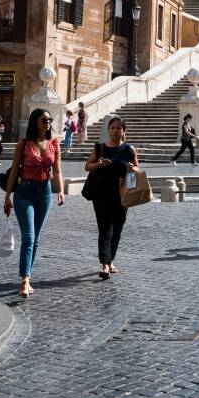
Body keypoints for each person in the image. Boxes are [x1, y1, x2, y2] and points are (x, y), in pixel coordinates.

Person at [3, 109, 65, 298]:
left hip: (44, 191)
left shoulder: (54, 144)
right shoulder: (24, 144)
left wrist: (61, 190)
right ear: (35, 121)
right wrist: (7, 196)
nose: (47, 122)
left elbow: (58, 171)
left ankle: (27, 276)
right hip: (24, 192)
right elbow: (14, 171)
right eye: (43, 119)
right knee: (28, 237)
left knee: (35, 238)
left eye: (49, 119)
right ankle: (25, 280)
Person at [84, 116, 139, 280]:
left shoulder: (129, 149)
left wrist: (132, 168)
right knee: (104, 228)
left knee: (117, 229)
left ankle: (110, 259)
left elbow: (138, 169)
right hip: (101, 194)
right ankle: (105, 264)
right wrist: (99, 164)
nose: (115, 131)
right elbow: (87, 166)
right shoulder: (100, 148)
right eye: (112, 128)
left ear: (123, 131)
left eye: (118, 128)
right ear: (108, 130)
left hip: (122, 195)